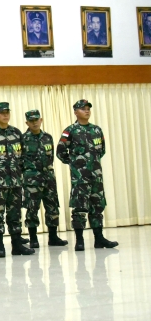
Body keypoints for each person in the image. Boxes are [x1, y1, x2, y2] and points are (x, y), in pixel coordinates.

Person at [56, 99, 118, 251]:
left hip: (96, 176)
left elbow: (101, 150)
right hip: (80, 178)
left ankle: (99, 239)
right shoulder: (70, 131)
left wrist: (92, 164)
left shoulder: (97, 130)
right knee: (79, 208)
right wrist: (75, 164)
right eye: (83, 109)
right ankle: (79, 240)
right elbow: (60, 152)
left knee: (97, 207)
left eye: (88, 108)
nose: (87, 111)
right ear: (75, 112)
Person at [0, 102, 34, 258]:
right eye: (2, 112)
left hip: (15, 182)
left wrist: (18, 171)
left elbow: (23, 155)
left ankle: (17, 245)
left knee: (15, 214)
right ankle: (0, 246)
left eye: (7, 112)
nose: (5, 115)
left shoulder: (16, 133)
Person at [21, 110, 68, 248]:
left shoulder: (48, 137)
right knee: (32, 209)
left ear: (41, 120)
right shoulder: (23, 139)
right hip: (32, 180)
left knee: (52, 207)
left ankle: (53, 237)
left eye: (36, 120)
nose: (34, 123)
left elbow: (50, 157)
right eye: (31, 121)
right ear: (27, 123)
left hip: (48, 178)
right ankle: (33, 238)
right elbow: (19, 160)